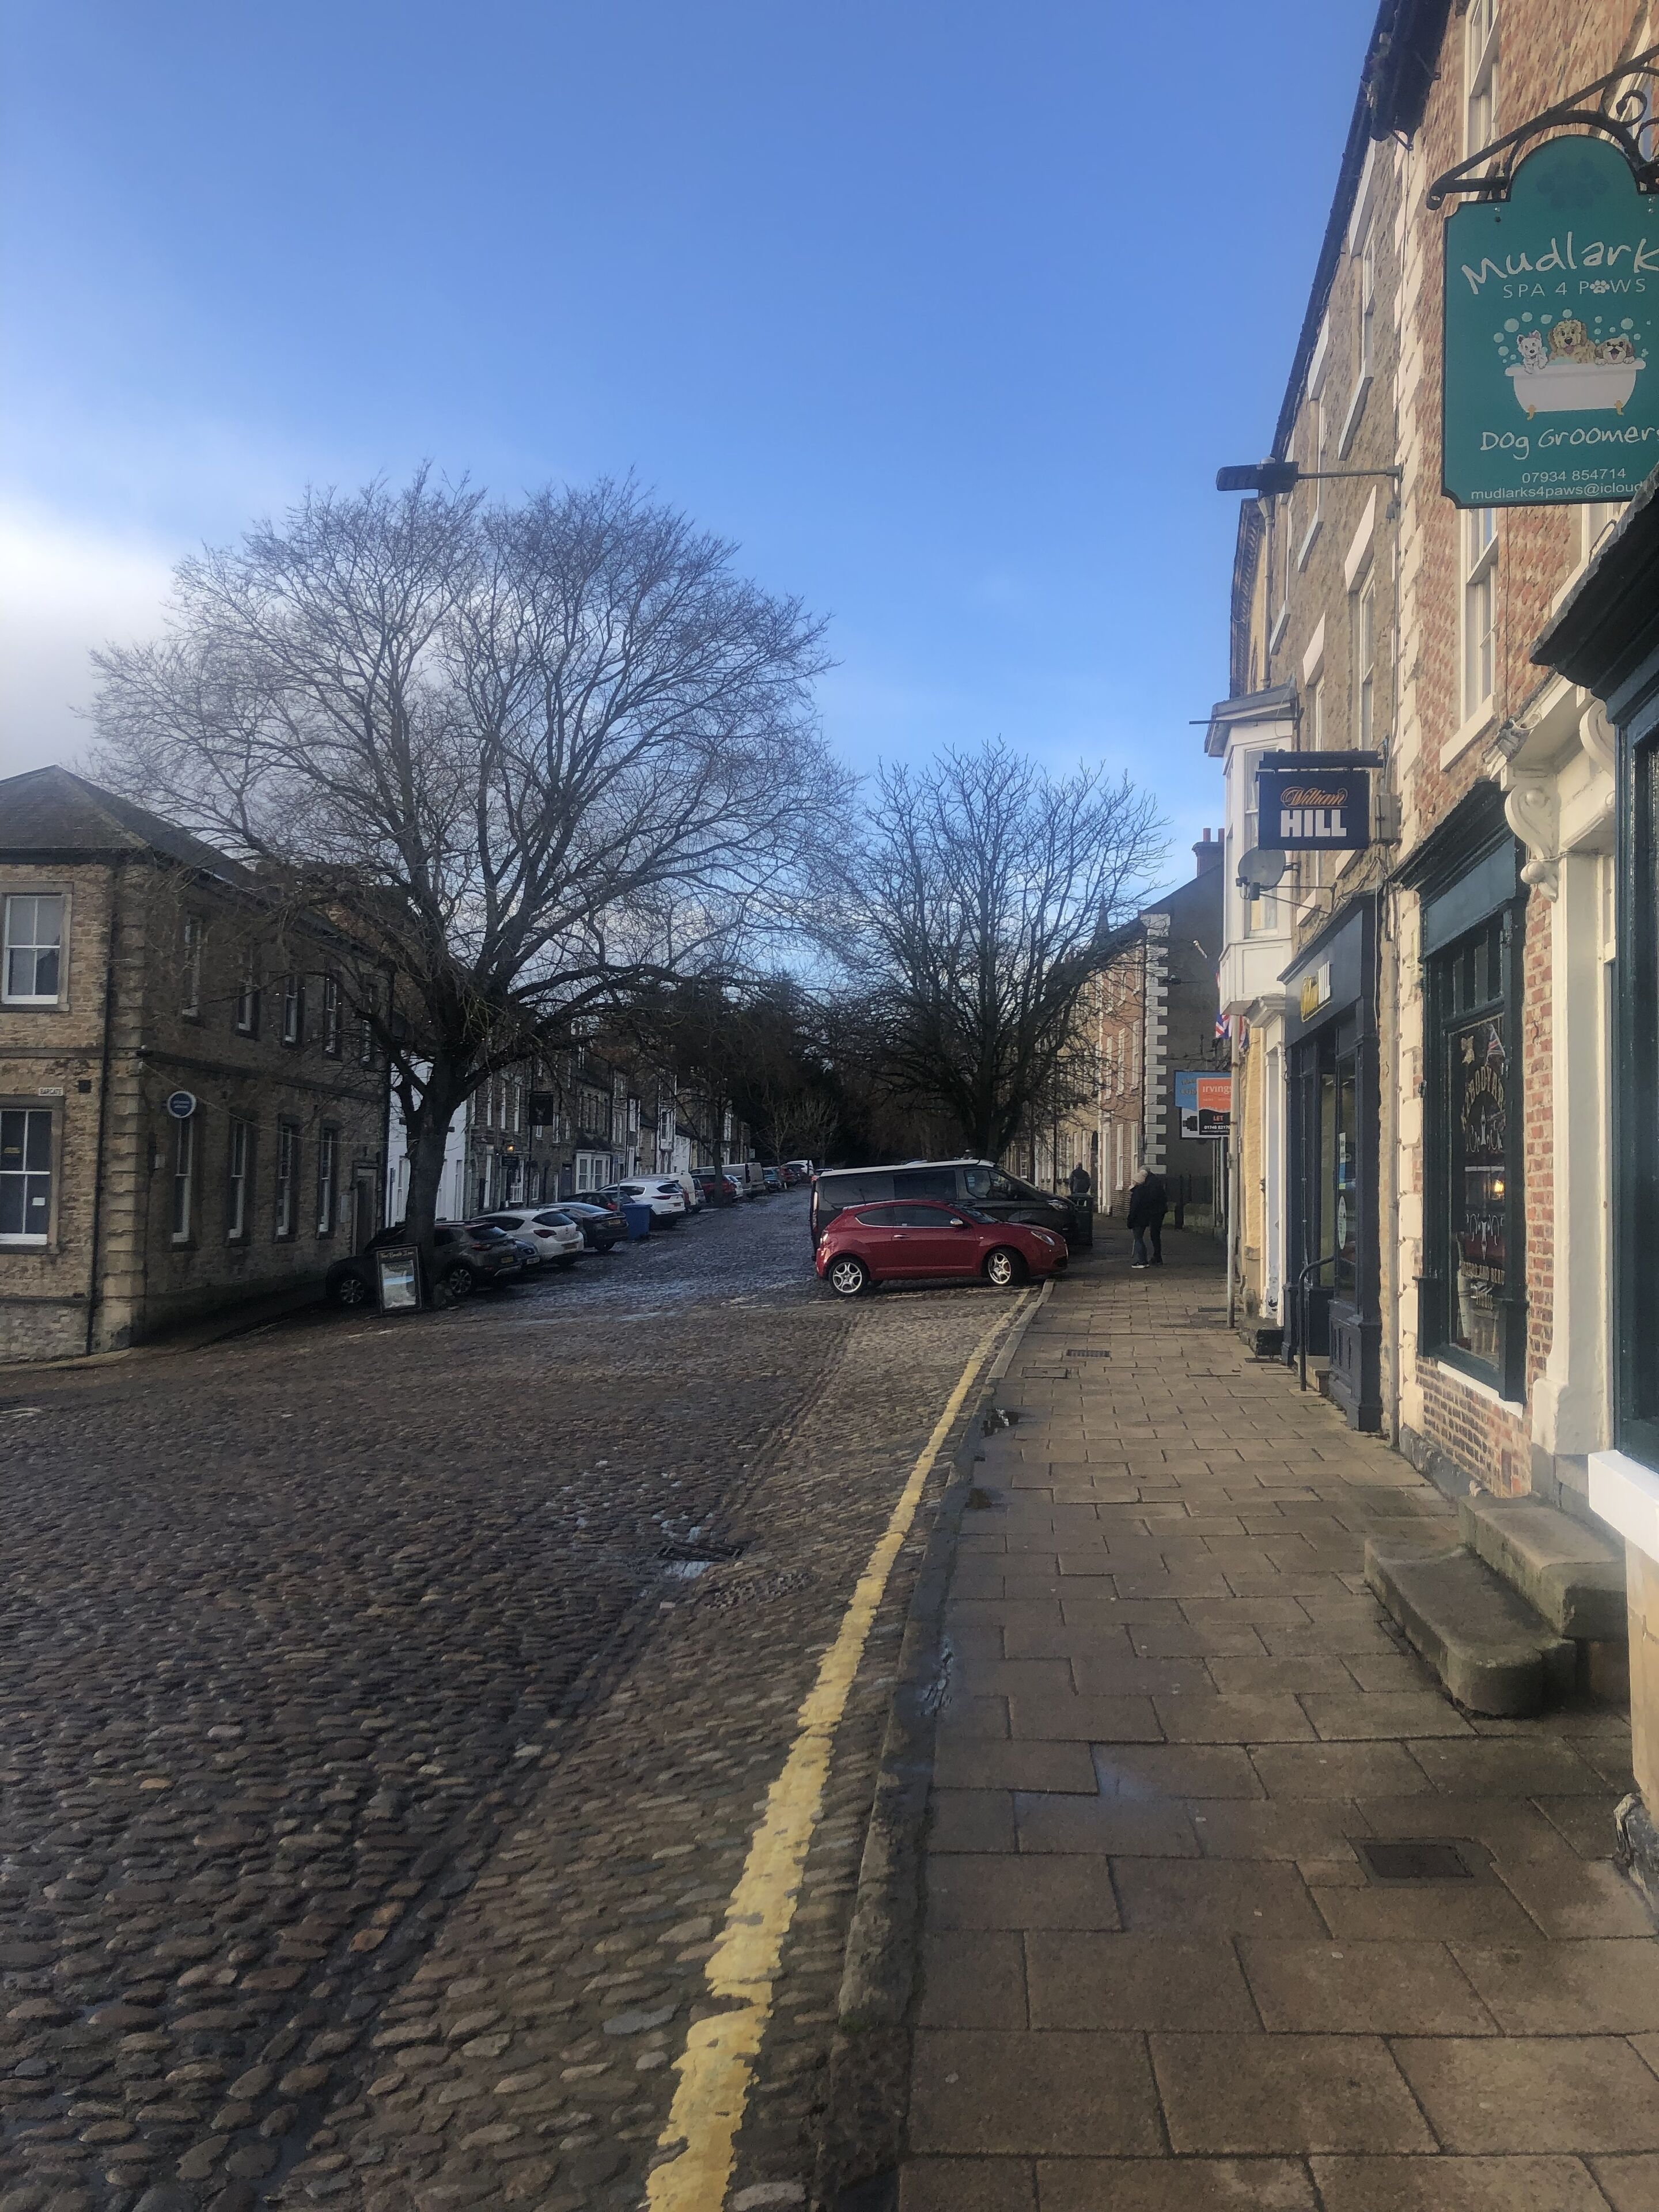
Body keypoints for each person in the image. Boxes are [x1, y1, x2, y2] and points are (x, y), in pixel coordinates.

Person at [1126, 1165, 1167, 1268]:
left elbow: (1150, 1199)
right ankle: (1156, 1257)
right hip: (1155, 1212)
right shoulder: (1153, 1181)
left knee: (1154, 1234)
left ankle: (1156, 1257)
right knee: (1154, 1235)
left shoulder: (1151, 1183)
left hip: (1155, 1212)